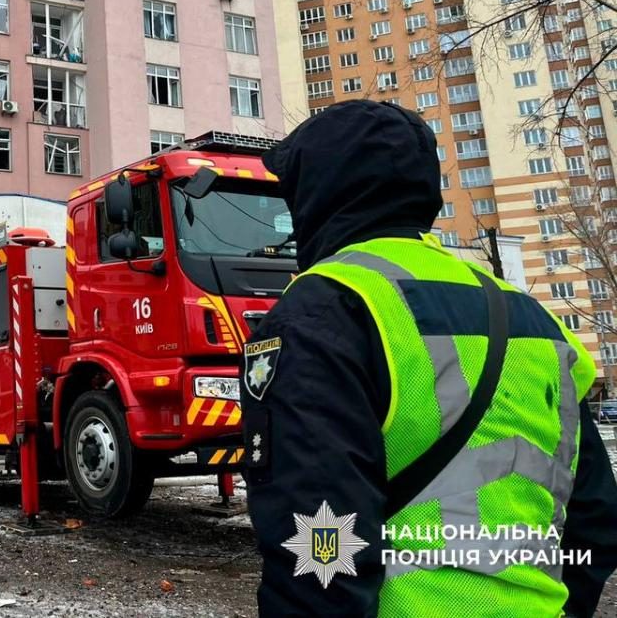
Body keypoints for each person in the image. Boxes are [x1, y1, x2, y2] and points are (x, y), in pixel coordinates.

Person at [242, 99, 617, 617]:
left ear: (317, 192)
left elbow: (319, 544)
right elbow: (595, 516)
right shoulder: (531, 315)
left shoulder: (326, 308)